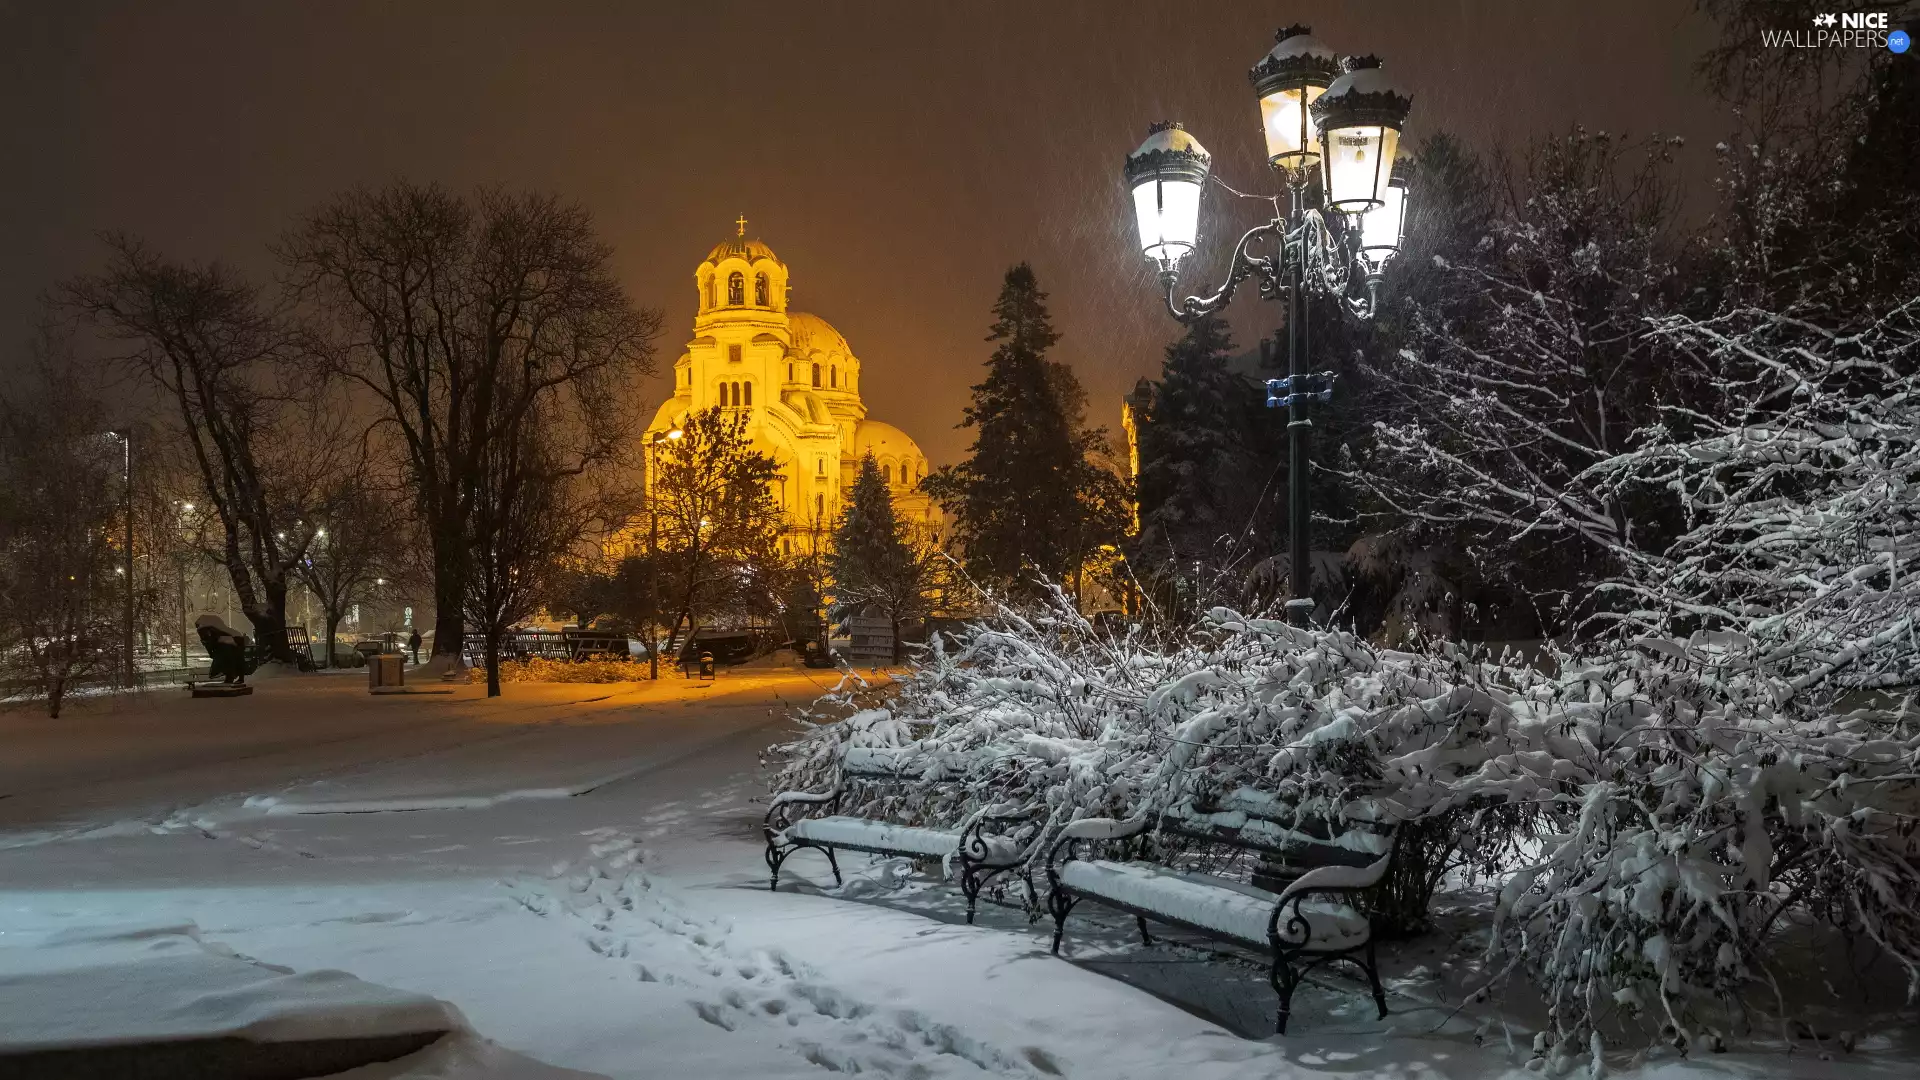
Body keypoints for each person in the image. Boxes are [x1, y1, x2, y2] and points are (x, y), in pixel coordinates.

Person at [194, 613, 252, 686]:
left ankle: (233, 677)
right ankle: (231, 678)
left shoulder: (221, 635)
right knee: (232, 658)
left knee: (234, 659)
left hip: (233, 644)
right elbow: (209, 643)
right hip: (231, 644)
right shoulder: (213, 631)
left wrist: (211, 651)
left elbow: (210, 643)